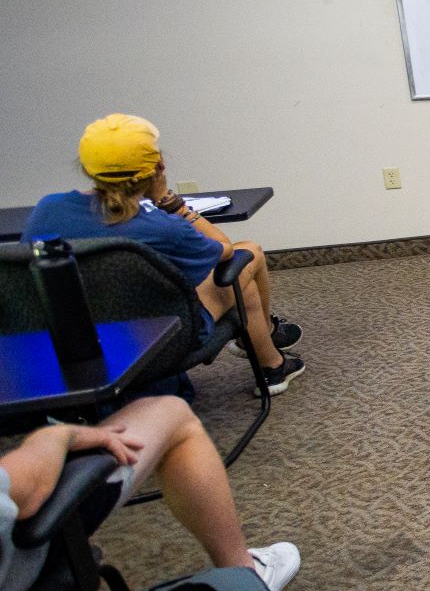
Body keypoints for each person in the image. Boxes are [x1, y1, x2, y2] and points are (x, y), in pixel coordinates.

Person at [25, 114, 305, 394]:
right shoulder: (163, 227)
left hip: (68, 337)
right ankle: (268, 349)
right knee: (248, 255)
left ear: (87, 167)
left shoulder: (47, 209)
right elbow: (225, 249)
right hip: (162, 335)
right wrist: (170, 202)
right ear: (157, 167)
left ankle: (271, 360)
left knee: (243, 288)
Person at [2, 396, 301, 591]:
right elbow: (27, 491)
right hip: (15, 560)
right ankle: (245, 579)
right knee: (173, 413)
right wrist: (53, 437)